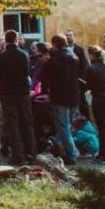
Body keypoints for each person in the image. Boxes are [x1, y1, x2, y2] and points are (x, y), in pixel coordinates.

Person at [0, 29, 36, 165]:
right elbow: (27, 72)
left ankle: (17, 154)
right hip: (22, 92)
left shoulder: (0, 57)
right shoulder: (24, 55)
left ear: (6, 40)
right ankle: (31, 153)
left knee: (11, 123)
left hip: (7, 92)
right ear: (17, 39)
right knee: (26, 122)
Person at [38, 34, 82, 165]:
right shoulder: (74, 57)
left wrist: (46, 90)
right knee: (67, 125)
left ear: (55, 45)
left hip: (60, 96)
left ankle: (71, 154)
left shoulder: (54, 60)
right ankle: (61, 145)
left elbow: (46, 78)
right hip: (74, 95)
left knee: (63, 127)